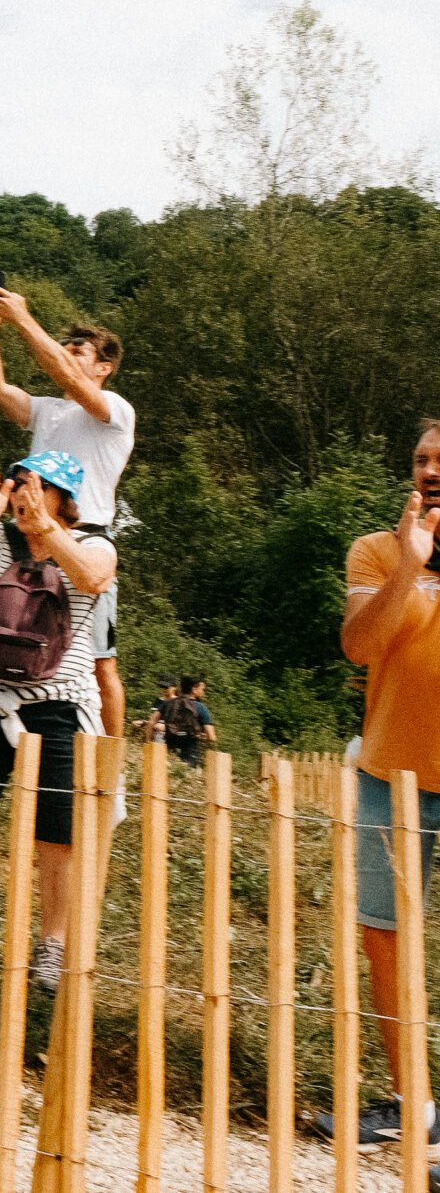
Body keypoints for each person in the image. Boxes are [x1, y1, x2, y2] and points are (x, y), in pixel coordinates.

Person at [0, 452, 118, 995]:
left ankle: (52, 943)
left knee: (57, 832)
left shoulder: (94, 542)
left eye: (37, 485)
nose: (23, 492)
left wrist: (48, 532)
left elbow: (92, 579)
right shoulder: (1, 539)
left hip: (58, 703)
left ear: (65, 497)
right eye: (18, 482)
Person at [310, 424, 440, 1148]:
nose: (428, 469)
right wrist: (409, 567)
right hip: (392, 774)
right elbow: (359, 645)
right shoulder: (376, 548)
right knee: (386, 938)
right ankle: (410, 1102)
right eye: (420, 458)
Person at [0, 290, 134, 744]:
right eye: (65, 345)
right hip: (29, 538)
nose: (66, 353)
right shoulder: (47, 409)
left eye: (78, 349)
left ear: (103, 368)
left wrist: (23, 319)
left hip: (83, 543)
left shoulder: (116, 410)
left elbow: (60, 371)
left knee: (100, 660)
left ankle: (108, 767)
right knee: (22, 634)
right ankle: (26, 724)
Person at [145, 673, 216, 764]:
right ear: (194, 689)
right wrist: (202, 737)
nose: (204, 692)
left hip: (169, 750)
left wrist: (148, 742)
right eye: (202, 689)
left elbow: (151, 723)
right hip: (190, 753)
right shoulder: (201, 707)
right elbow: (211, 737)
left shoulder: (168, 703)